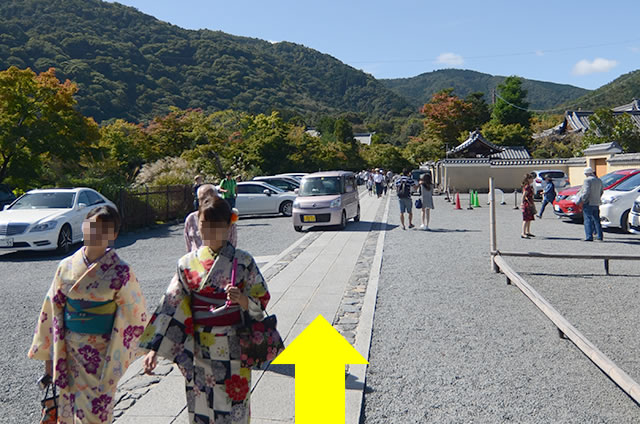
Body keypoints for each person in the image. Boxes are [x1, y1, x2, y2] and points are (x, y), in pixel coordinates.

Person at [140, 196, 271, 424]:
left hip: (234, 347)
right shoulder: (186, 263)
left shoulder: (243, 261)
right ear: (197, 224)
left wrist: (242, 300)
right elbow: (171, 304)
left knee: (234, 407)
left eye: (216, 226)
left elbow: (261, 300)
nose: (209, 232)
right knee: (201, 405)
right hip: (199, 348)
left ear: (229, 226)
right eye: (204, 225)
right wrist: (155, 348)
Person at [28, 206, 148, 423]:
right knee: (66, 412)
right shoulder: (66, 267)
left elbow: (135, 316)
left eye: (103, 230)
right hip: (68, 351)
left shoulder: (121, 271)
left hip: (101, 355)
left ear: (114, 235)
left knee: (96, 414)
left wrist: (140, 351)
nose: (95, 234)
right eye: (91, 227)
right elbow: (51, 311)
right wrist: (49, 358)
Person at [185, 184, 238, 251]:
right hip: (197, 260)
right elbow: (189, 244)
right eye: (202, 199)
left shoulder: (226, 217)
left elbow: (232, 243)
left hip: (223, 259)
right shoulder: (191, 219)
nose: (206, 202)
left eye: (210, 198)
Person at [576, 167, 604, 241]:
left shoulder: (587, 180)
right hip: (596, 202)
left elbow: (586, 192)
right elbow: (601, 191)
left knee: (587, 219)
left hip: (588, 202)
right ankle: (600, 236)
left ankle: (589, 236)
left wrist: (582, 200)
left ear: (586, 173)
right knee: (597, 220)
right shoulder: (599, 180)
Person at [521, 173, 536, 238]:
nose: (533, 179)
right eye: (531, 178)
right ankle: (523, 233)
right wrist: (522, 203)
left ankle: (528, 231)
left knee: (529, 218)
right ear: (528, 179)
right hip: (527, 204)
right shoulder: (527, 187)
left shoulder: (530, 186)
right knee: (526, 219)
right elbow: (524, 195)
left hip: (530, 203)